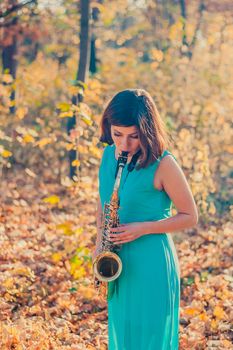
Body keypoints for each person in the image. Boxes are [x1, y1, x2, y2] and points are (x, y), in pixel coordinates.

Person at [92, 88, 198, 350]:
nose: (124, 144)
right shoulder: (108, 156)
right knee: (123, 336)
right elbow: (103, 204)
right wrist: (98, 245)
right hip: (116, 259)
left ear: (147, 130)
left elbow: (190, 216)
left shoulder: (164, 163)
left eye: (134, 137)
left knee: (149, 341)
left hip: (151, 261)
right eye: (117, 134)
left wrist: (144, 228)